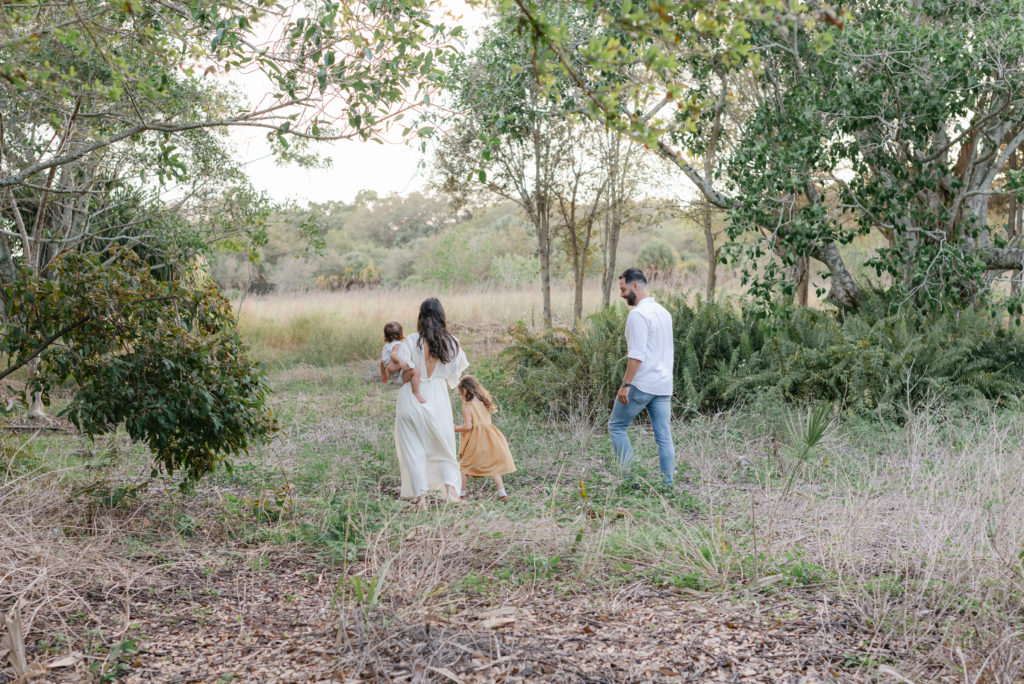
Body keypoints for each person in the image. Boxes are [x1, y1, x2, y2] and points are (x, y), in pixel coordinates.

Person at [393, 298, 468, 510]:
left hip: (411, 397)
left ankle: (421, 500)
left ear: (420, 317)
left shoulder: (411, 341)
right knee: (444, 447)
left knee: (413, 450)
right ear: (441, 316)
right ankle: (451, 493)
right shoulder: (452, 343)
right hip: (437, 397)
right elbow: (454, 377)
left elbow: (403, 373)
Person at [608, 267, 676, 487]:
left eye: (623, 288)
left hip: (643, 383)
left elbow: (636, 356)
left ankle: (628, 480)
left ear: (635, 285)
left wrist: (626, 384)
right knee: (664, 437)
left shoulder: (637, 314)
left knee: (616, 427)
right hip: (663, 385)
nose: (621, 294)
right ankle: (667, 486)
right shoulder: (664, 313)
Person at [454, 375, 515, 502]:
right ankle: (502, 494)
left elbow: (468, 426)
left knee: (464, 467)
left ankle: (462, 495)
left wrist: (454, 428)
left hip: (476, 440)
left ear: (464, 391)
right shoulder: (485, 403)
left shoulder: (467, 405)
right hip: (491, 438)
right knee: (493, 466)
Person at [380, 321, 425, 404]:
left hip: (393, 376)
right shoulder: (398, 345)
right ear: (401, 334)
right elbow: (393, 355)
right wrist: (400, 361)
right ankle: (416, 392)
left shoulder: (386, 347)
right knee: (416, 372)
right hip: (399, 377)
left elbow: (382, 363)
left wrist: (384, 374)